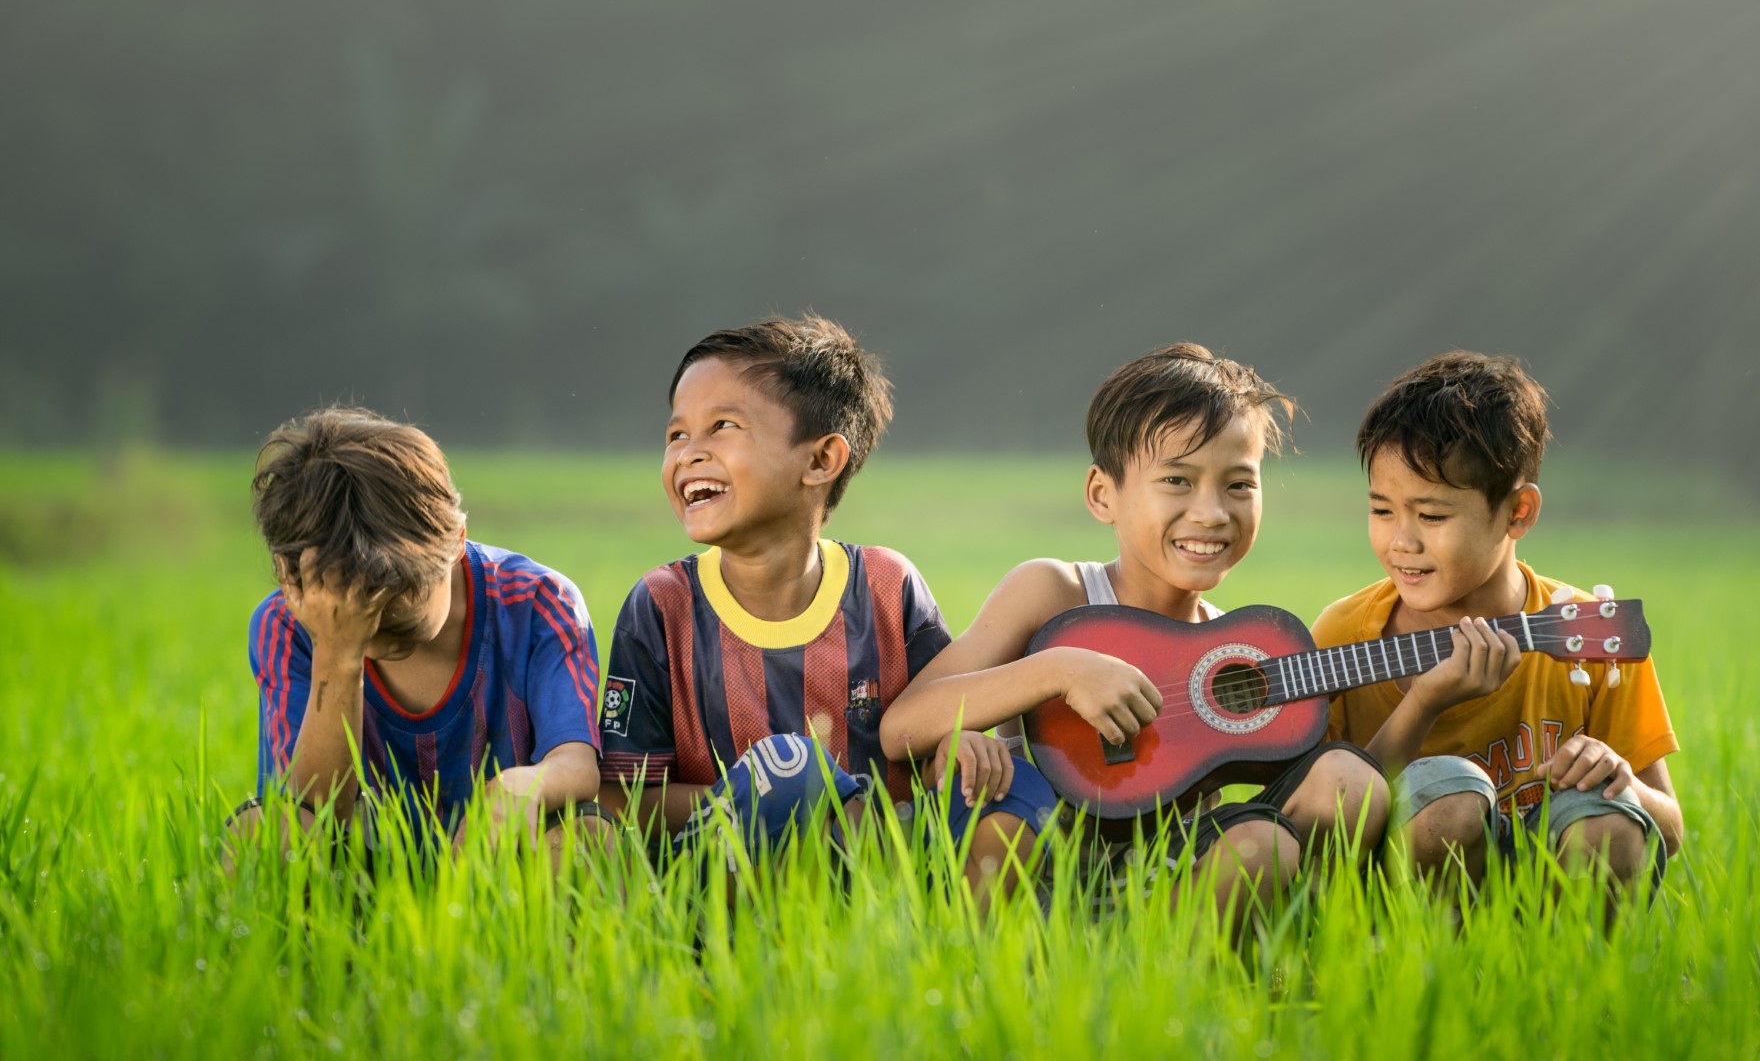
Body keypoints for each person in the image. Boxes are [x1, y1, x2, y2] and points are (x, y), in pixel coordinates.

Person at [880, 344, 1388, 931]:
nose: (1211, 512)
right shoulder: (1055, 591)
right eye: (1177, 479)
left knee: (1311, 810)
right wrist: (1060, 671)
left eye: (1239, 485)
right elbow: (902, 726)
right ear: (1103, 494)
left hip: (1169, 889)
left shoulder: (1234, 650)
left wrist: (1432, 689)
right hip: (1041, 877)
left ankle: (1214, 974)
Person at [597, 316, 1055, 902]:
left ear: (821, 461)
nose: (691, 454)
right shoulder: (662, 605)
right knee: (792, 767)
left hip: (883, 866)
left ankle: (954, 954)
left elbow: (935, 728)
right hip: (727, 881)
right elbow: (625, 798)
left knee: (1020, 785)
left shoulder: (888, 586)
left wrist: (959, 746)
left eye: (722, 427)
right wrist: (812, 800)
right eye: (677, 435)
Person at [1312, 351, 1683, 895]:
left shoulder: (1589, 635)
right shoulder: (1342, 633)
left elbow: (1668, 830)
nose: (1401, 541)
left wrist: (1622, 782)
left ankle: (1570, 979)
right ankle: (1439, 974)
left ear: (1519, 513)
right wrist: (1423, 704)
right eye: (1382, 510)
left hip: (1544, 889)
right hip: (1396, 909)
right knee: (1448, 803)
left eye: (1432, 516)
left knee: (1608, 823)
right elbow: (1324, 834)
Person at [235, 406, 605, 858]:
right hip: (360, 869)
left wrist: (520, 785)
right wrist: (337, 651)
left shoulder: (538, 603)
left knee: (585, 839)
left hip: (504, 859)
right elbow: (311, 808)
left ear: (456, 542)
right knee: (263, 834)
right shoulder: (288, 624)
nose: (365, 620)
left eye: (388, 599)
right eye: (344, 602)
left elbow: (577, 762)